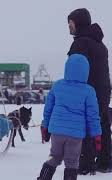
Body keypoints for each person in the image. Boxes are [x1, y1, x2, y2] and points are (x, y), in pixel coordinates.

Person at [37, 54, 102, 180]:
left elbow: (48, 109)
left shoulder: (58, 86)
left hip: (57, 131)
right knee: (72, 162)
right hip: (75, 134)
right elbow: (93, 115)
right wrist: (96, 134)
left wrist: (45, 126)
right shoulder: (88, 91)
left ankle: (43, 178)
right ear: (86, 71)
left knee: (54, 156)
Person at [67, 8, 111, 173]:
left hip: (86, 91)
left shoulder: (80, 43)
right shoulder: (100, 43)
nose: (69, 26)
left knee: (84, 124)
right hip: (103, 90)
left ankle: (85, 165)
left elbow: (74, 70)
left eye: (70, 22)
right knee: (103, 124)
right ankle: (106, 162)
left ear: (78, 22)